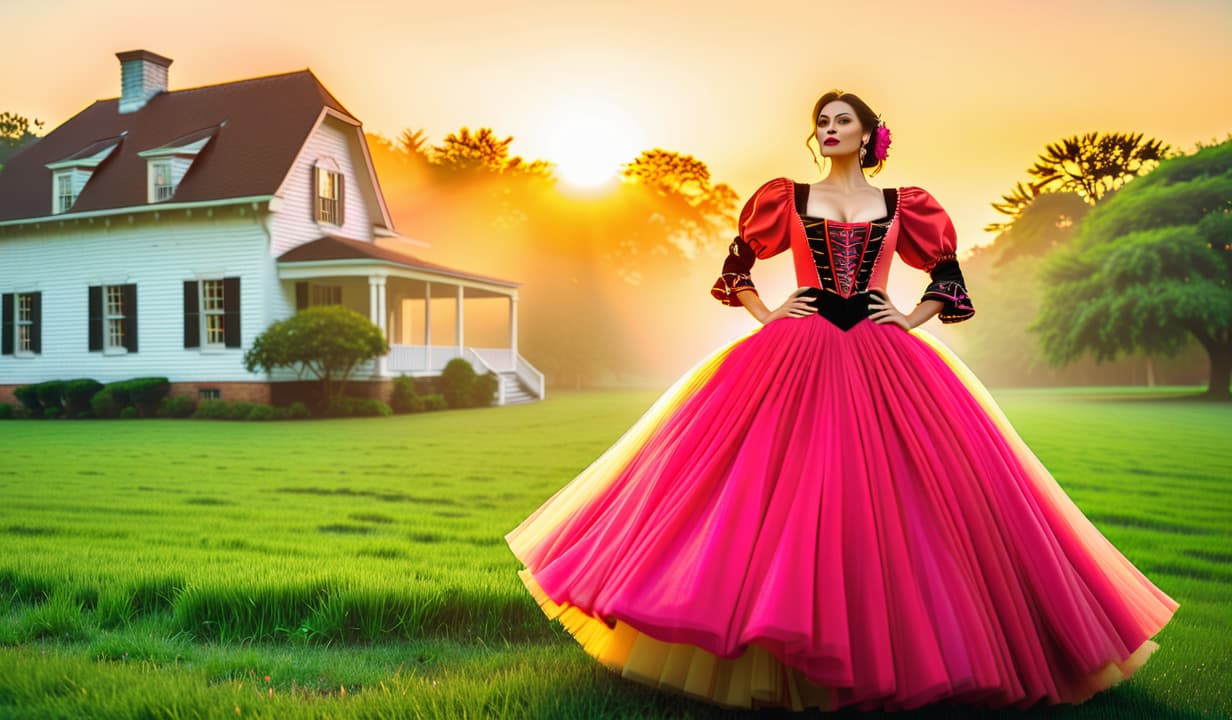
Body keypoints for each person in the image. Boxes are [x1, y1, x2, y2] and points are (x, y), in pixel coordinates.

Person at [504, 89, 1179, 712]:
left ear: (867, 134)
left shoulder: (906, 205)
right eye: (821, 123)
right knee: (772, 490)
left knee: (908, 496)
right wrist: (770, 315)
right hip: (798, 351)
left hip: (886, 356)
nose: (827, 130)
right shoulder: (785, 198)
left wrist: (909, 320)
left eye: (841, 121)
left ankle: (910, 648)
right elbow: (736, 266)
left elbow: (947, 273)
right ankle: (772, 637)